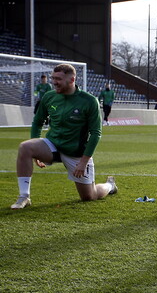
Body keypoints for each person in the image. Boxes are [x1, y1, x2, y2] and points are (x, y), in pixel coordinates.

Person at [12, 64, 117, 208]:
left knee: (89, 196)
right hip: (52, 145)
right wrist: (35, 146)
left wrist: (83, 162)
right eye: (53, 78)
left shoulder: (89, 101)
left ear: (72, 80)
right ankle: (24, 197)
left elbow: (96, 133)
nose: (54, 82)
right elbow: (37, 122)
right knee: (25, 147)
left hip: (75, 152)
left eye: (58, 79)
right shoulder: (49, 96)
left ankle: (109, 185)